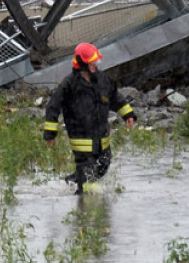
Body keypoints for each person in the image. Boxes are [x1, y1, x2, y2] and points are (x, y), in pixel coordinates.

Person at [43, 42, 136, 194]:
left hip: (102, 139)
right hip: (81, 140)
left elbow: (115, 97)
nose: (95, 65)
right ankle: (86, 209)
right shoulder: (69, 84)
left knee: (103, 165)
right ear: (82, 64)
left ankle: (74, 182)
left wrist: (128, 114)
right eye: (92, 63)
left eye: (96, 62)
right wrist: (50, 133)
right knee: (88, 183)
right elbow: (53, 106)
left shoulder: (103, 80)